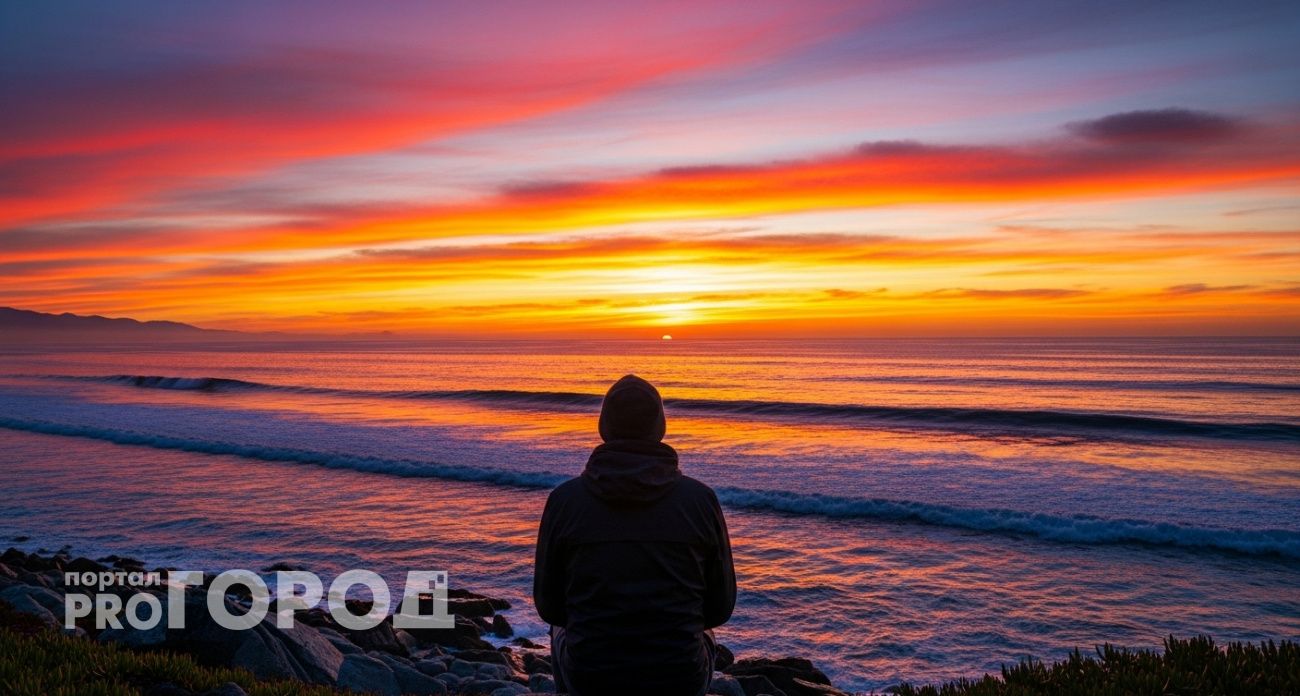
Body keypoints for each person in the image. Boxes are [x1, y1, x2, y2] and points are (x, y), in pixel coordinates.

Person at [533, 374, 736, 696]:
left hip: (591, 677)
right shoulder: (699, 499)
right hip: (679, 678)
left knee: (559, 628)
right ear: (660, 427)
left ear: (604, 427)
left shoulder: (565, 500)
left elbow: (550, 608)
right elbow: (720, 609)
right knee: (705, 634)